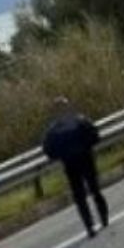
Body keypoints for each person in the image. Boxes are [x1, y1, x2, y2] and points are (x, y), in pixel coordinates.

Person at [42, 97, 110, 239]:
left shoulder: (75, 123)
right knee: (85, 194)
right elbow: (48, 150)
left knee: (90, 192)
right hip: (77, 162)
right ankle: (92, 224)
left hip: (80, 161)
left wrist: (66, 153)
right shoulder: (63, 127)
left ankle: (98, 220)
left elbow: (94, 135)